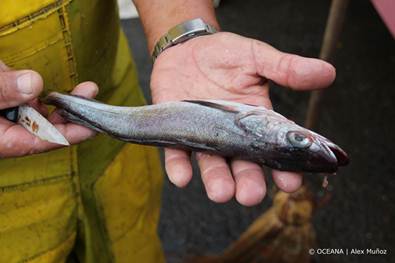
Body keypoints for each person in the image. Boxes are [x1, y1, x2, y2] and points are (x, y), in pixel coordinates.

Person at [0, 0, 335, 262]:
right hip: (10, 212)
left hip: (108, 141)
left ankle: (66, 103)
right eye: (296, 136)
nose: (296, 131)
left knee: (128, 244)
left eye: (294, 137)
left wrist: (183, 31)